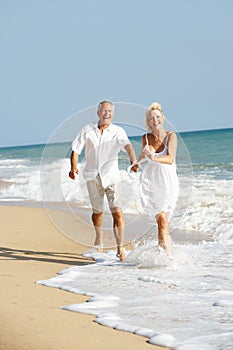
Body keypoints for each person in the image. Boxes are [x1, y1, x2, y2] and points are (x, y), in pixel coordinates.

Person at [69, 100, 137, 261]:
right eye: (104, 110)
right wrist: (73, 167)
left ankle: (120, 247)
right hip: (92, 176)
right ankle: (98, 239)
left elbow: (128, 146)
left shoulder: (118, 131)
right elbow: (75, 149)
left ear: (113, 114)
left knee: (117, 212)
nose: (107, 113)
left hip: (112, 176)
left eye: (110, 111)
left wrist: (133, 160)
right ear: (98, 113)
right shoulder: (87, 129)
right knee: (97, 212)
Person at [131, 102, 179, 257]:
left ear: (163, 118)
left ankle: (164, 255)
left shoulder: (171, 136)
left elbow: (170, 159)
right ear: (148, 121)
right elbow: (143, 155)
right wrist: (136, 164)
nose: (155, 120)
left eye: (158, 117)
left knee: (164, 222)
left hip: (168, 182)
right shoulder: (145, 138)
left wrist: (154, 158)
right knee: (161, 221)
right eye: (151, 118)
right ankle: (166, 257)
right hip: (152, 182)